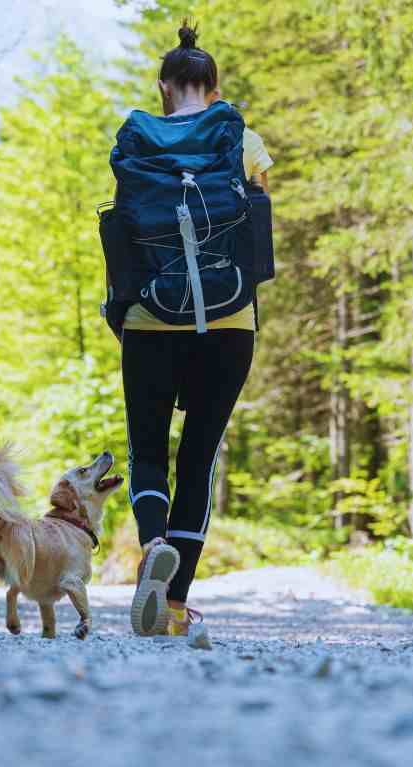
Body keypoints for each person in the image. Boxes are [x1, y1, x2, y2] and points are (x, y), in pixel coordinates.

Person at [124, 22, 272, 638]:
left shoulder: (138, 141)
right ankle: (177, 605)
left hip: (150, 317)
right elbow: (258, 223)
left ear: (164, 86)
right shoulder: (243, 139)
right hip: (229, 318)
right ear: (213, 87)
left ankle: (152, 541)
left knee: (148, 448)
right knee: (199, 456)